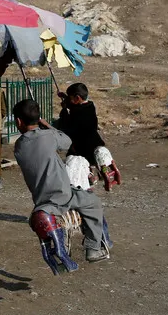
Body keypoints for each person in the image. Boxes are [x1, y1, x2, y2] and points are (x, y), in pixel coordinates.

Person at [12, 99, 110, 262]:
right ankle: (93, 248)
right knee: (93, 203)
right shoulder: (49, 136)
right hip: (64, 194)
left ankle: (58, 237)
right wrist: (49, 127)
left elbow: (37, 145)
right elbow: (67, 141)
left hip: (42, 199)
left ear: (18, 121)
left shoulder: (19, 146)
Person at [56, 82, 121, 191]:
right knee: (97, 160)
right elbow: (74, 105)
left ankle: (89, 176)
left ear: (77, 98)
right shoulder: (89, 105)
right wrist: (65, 98)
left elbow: (67, 121)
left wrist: (64, 110)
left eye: (71, 98)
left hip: (82, 144)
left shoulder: (77, 112)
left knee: (75, 160)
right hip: (94, 140)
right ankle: (103, 171)